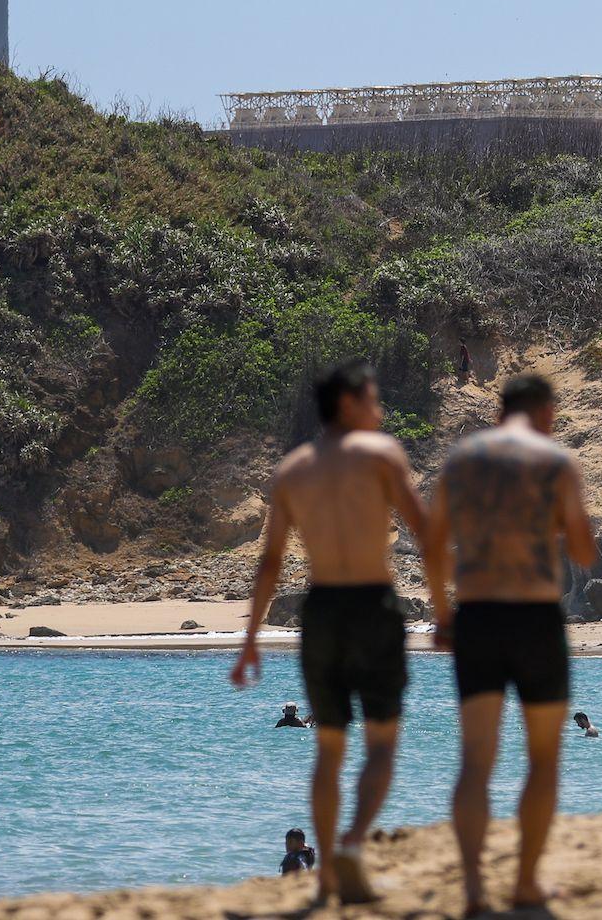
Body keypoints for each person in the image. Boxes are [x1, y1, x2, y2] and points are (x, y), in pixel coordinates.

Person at [231, 360, 450, 908]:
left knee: (329, 749)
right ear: (350, 405)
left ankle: (327, 870)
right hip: (372, 605)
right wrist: (444, 611)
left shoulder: (293, 471)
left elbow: (271, 562)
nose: (379, 412)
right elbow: (426, 535)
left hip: (321, 610)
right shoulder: (381, 456)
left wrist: (251, 640)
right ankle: (351, 844)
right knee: (382, 741)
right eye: (373, 401)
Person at [424, 372, 597, 917]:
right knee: (543, 759)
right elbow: (585, 550)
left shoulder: (462, 460)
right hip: (536, 618)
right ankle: (525, 883)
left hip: (476, 615)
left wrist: (442, 613)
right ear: (546, 413)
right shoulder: (556, 461)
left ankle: (474, 889)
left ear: (501, 411)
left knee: (476, 760)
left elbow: (431, 543)